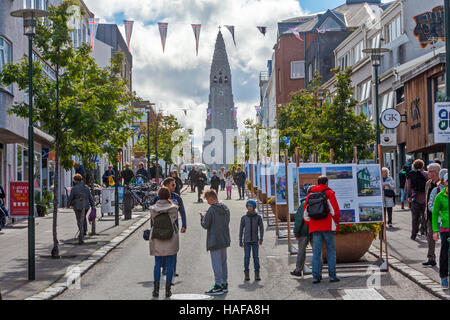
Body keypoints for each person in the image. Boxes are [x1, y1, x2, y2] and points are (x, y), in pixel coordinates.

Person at [303, 176, 340, 284]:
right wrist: (335, 223)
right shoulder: (329, 193)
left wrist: (311, 224)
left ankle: (316, 277)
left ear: (317, 183)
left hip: (315, 227)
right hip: (327, 226)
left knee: (316, 252)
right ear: (327, 183)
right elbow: (335, 211)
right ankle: (332, 276)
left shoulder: (310, 195)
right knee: (331, 251)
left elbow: (305, 215)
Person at [152, 177, 187, 278]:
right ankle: (164, 269)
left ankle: (172, 269)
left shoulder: (177, 197)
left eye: (175, 184)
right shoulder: (157, 198)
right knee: (162, 249)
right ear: (166, 185)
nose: (174, 186)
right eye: (172, 184)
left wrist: (184, 225)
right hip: (159, 228)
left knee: (173, 249)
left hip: (174, 227)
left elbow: (182, 211)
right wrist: (152, 228)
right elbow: (153, 215)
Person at [149, 187, 179, 298]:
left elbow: (152, 221)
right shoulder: (173, 208)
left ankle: (156, 290)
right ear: (168, 196)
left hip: (157, 236)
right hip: (170, 236)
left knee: (157, 263)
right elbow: (174, 219)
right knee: (170, 263)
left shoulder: (153, 209)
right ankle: (167, 289)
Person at [201, 189, 230, 295]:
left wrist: (202, 217)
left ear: (211, 198)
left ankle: (218, 286)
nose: (207, 202)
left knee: (216, 263)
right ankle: (224, 283)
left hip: (214, 240)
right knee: (223, 262)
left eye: (207, 199)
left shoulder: (211, 210)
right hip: (224, 238)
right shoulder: (226, 208)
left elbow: (205, 225)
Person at [291, 185, 316, 277]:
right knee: (317, 251)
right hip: (315, 230)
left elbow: (299, 220)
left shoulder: (304, 203)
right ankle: (318, 271)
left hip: (304, 231)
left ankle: (298, 270)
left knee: (301, 251)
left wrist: (296, 232)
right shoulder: (321, 202)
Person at [431, 173, 450, 288]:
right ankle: (443, 276)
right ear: (445, 182)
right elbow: (434, 214)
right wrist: (434, 231)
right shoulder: (440, 196)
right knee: (444, 251)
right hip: (445, 228)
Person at [239, 199, 264, 281]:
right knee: (246, 257)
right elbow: (241, 230)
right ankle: (246, 274)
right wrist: (240, 241)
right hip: (246, 241)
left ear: (254, 206)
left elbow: (261, 229)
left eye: (250, 205)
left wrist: (261, 239)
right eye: (247, 205)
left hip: (255, 241)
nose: (248, 207)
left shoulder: (258, 217)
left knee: (256, 257)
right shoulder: (244, 218)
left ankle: (257, 274)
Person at [422, 163, 441, 267]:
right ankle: (431, 258)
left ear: (436, 172)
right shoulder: (428, 183)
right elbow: (427, 198)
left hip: (442, 216)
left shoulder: (443, 184)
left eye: (430, 171)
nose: (427, 173)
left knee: (444, 237)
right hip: (430, 215)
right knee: (430, 237)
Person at [68, 174, 95, 244]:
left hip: (77, 206)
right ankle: (84, 231)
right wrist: (93, 205)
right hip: (86, 205)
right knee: (83, 218)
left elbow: (71, 197)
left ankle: (82, 231)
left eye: (74, 179)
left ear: (76, 180)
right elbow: (90, 197)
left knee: (79, 219)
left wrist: (68, 204)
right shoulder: (86, 187)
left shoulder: (74, 188)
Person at [407, 159, 428, 240]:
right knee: (425, 218)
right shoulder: (426, 174)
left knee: (415, 218)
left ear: (414, 166)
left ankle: (413, 235)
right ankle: (427, 234)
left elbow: (409, 187)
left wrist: (409, 197)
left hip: (415, 198)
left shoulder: (411, 174)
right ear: (422, 165)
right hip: (425, 199)